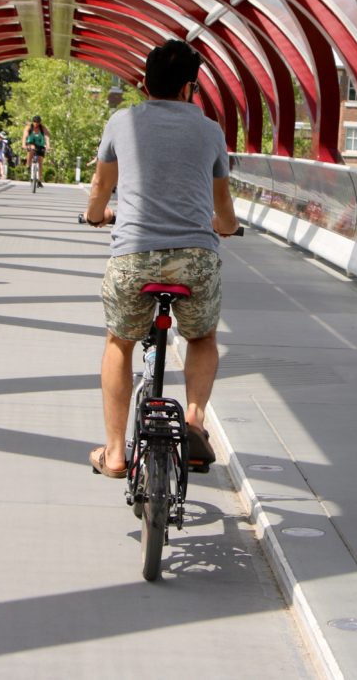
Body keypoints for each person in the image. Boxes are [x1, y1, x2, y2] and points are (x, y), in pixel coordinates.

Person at [84, 39, 238, 478]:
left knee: (120, 341)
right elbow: (222, 204)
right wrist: (224, 227)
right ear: (191, 87)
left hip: (134, 256)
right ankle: (192, 421)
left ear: (144, 82)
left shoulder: (122, 120)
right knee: (203, 336)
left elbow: (100, 188)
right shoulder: (210, 130)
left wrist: (97, 216)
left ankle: (115, 454)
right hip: (194, 258)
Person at [22, 116, 50, 188]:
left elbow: (47, 137)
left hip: (40, 145)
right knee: (32, 148)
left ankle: (39, 180)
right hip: (31, 143)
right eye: (35, 123)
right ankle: (28, 165)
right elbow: (25, 136)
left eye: (38, 123)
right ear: (33, 122)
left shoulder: (42, 128)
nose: (36, 124)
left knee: (40, 161)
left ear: (40, 122)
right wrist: (23, 144)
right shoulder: (29, 127)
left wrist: (48, 146)